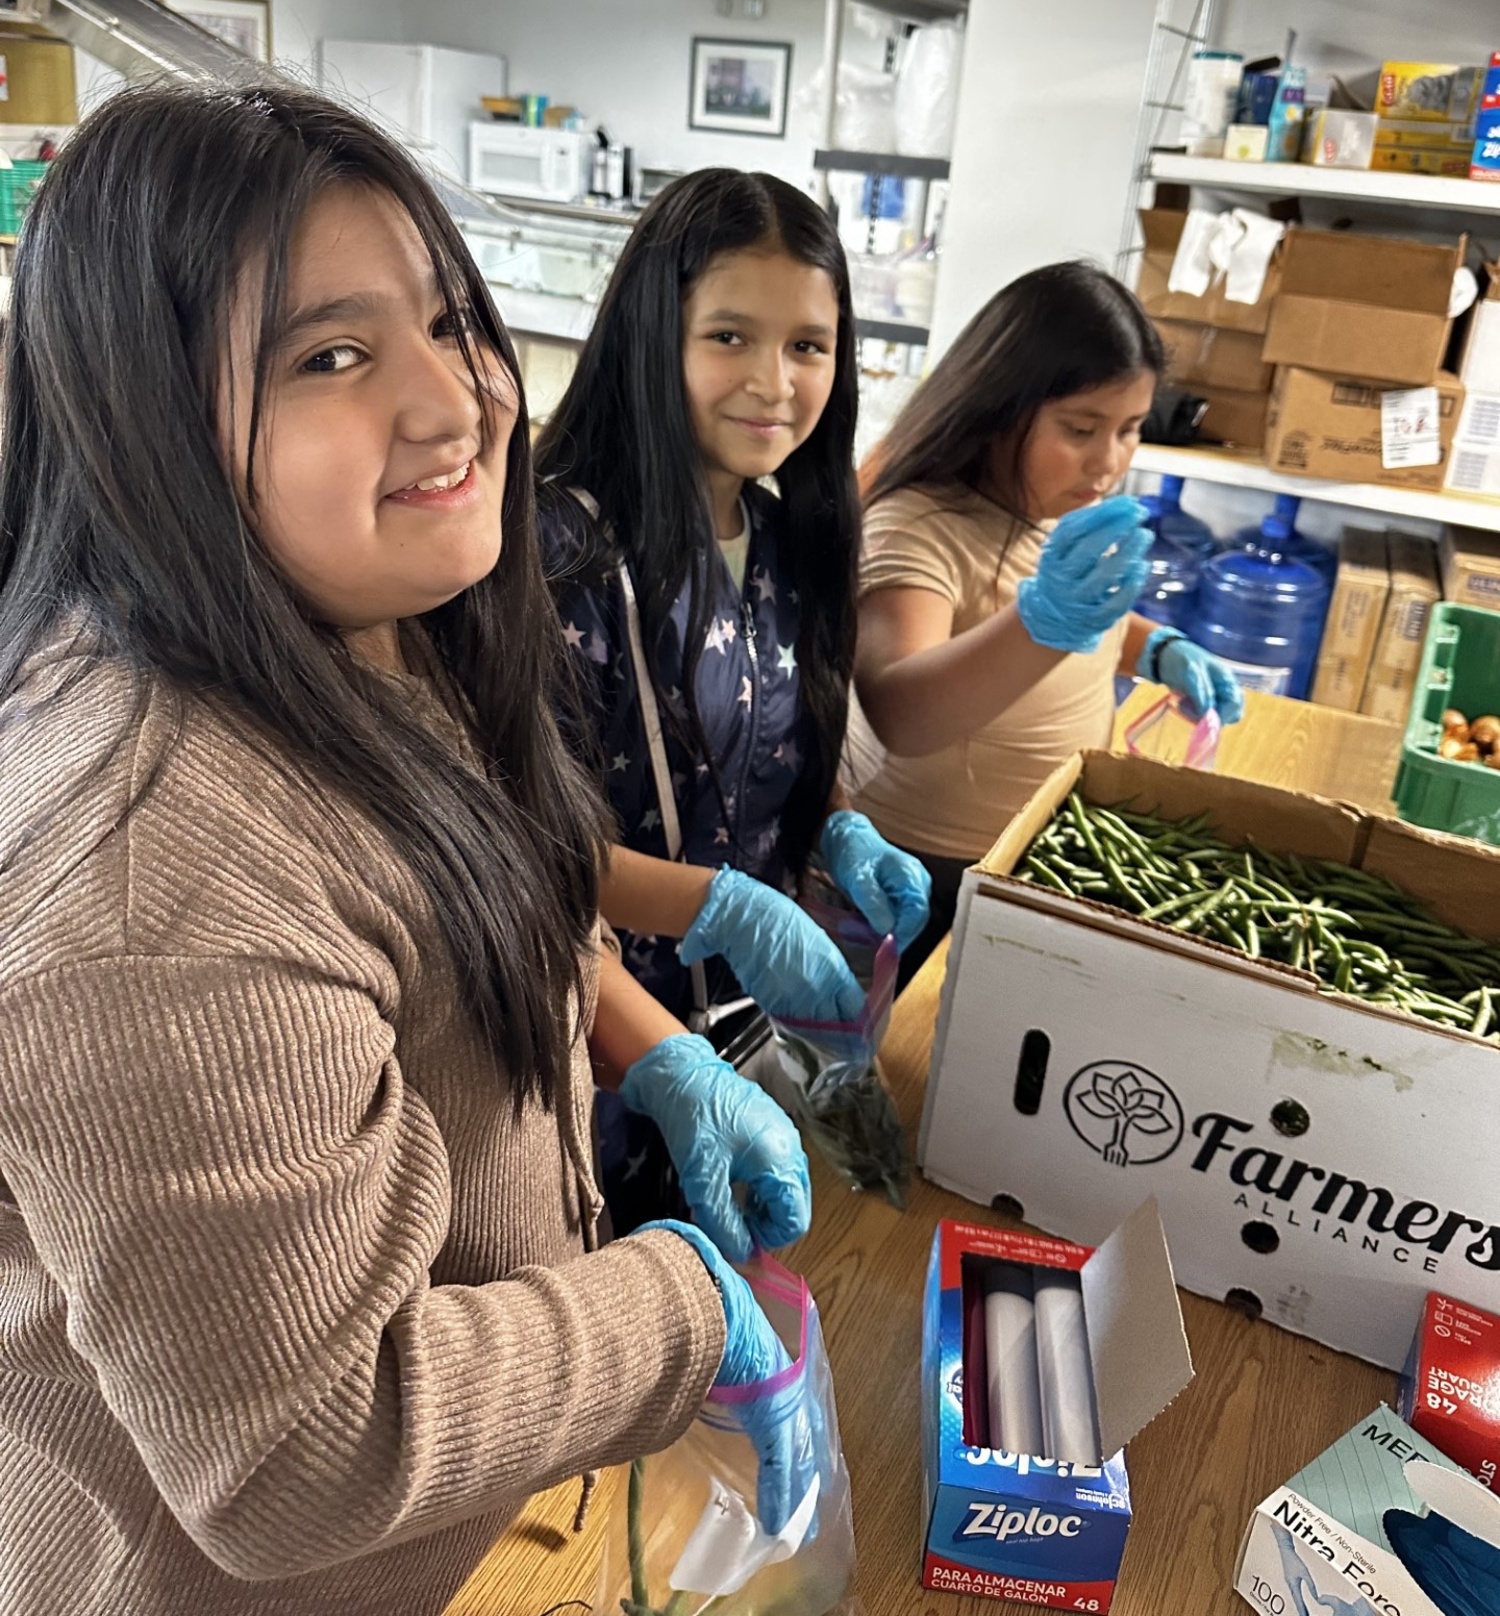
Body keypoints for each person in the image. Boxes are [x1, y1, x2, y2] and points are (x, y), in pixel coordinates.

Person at [0, 84, 816, 1616]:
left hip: (454, 1536)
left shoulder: (355, 628)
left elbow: (438, 888)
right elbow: (309, 1449)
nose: (460, 405)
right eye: (331, 356)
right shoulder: (147, 881)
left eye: (449, 325)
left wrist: (647, 1049)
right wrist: (678, 1311)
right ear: (144, 418)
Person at [534, 169, 931, 1232]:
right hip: (607, 1043)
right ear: (649, 338)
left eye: (808, 344)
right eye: (728, 337)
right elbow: (522, 845)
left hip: (741, 1029)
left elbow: (768, 734)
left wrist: (840, 825)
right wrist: (716, 902)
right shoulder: (565, 552)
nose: (774, 381)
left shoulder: (789, 538)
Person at [853, 260, 1243, 982]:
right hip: (925, 873)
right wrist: (1044, 624)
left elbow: (1085, 630)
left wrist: (1153, 647)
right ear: (1000, 407)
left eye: (1130, 429)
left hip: (1037, 845)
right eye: (1081, 428)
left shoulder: (1063, 505)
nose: (1108, 461)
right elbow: (901, 711)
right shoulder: (921, 524)